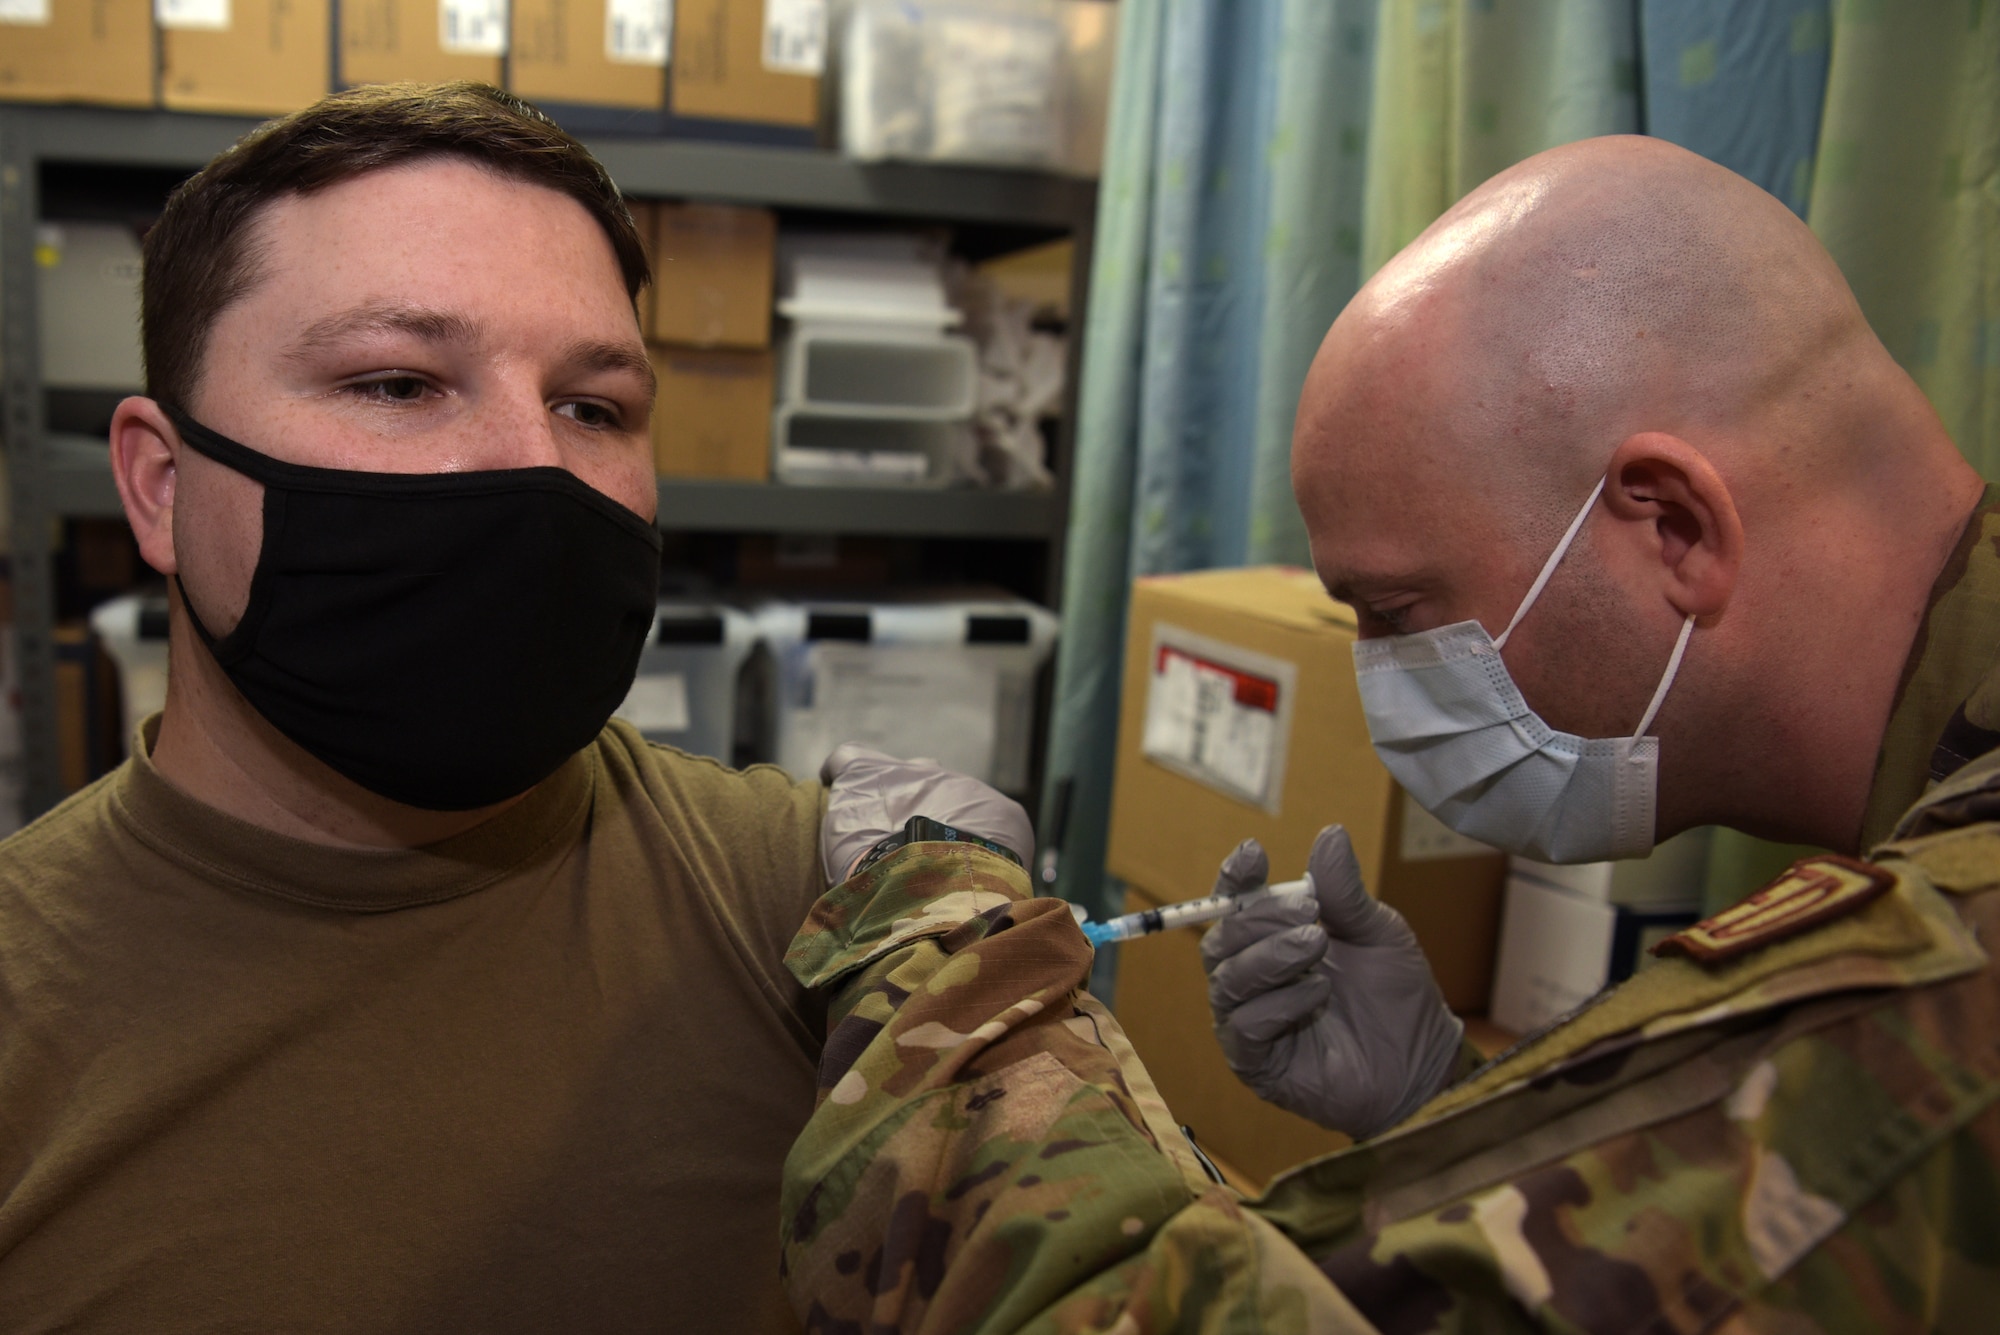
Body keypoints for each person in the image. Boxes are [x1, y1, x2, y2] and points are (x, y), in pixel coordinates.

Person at [773, 135, 2000, 1331]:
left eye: (1399, 614)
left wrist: (942, 941)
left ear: (1672, 527)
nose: (1379, 689)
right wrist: (1449, 1103)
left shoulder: (1950, 979)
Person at [0, 82, 1032, 1333]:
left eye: (592, 407)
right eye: (395, 384)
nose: (532, 464)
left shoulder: (823, 907)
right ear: (161, 488)